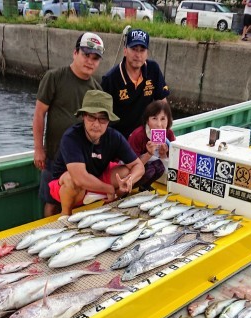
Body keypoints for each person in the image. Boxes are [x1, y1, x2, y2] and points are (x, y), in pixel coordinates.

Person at [32, 32, 104, 217]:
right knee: (51, 202)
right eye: (86, 55)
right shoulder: (54, 77)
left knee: (77, 202)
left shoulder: (96, 89)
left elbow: (100, 125)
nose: (90, 61)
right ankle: (49, 235)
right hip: (55, 157)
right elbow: (40, 113)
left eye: (95, 58)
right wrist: (39, 148)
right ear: (75, 53)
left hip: (82, 161)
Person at [47, 90, 145, 216]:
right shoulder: (71, 137)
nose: (96, 124)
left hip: (97, 178)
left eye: (102, 119)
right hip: (68, 187)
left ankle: (107, 203)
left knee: (126, 172)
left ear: (109, 121)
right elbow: (79, 177)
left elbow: (139, 166)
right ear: (83, 116)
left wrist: (129, 180)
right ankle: (65, 214)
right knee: (71, 179)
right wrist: (108, 189)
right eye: (91, 117)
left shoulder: (115, 137)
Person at [101, 28, 170, 139]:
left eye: (142, 50)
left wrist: (162, 134)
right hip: (119, 139)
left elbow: (162, 104)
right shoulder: (110, 79)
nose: (138, 55)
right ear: (125, 50)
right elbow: (102, 116)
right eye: (134, 49)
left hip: (144, 136)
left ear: (147, 53)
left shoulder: (153, 69)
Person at [128, 100, 175, 190]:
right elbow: (130, 165)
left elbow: (170, 166)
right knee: (150, 170)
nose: (159, 124)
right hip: (132, 169)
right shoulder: (138, 135)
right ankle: (127, 189)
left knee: (159, 167)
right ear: (147, 120)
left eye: (163, 119)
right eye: (154, 118)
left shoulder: (169, 134)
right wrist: (148, 154)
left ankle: (144, 186)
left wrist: (163, 155)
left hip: (151, 165)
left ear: (168, 120)